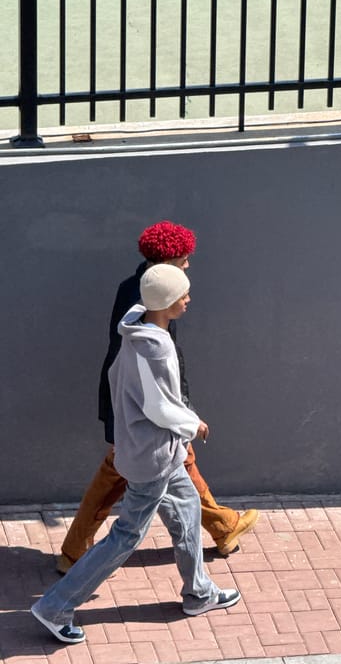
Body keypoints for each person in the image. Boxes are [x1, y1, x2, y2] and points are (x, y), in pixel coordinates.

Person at [32, 265, 241, 644]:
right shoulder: (156, 347)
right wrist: (194, 424)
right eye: (183, 294)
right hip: (153, 458)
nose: (189, 299)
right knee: (125, 536)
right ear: (165, 302)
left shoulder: (134, 330)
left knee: (189, 509)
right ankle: (55, 606)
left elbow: (125, 387)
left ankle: (198, 593)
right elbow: (162, 408)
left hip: (157, 452)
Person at [56, 221, 258, 575]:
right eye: (184, 258)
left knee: (180, 463)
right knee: (118, 475)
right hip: (139, 411)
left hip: (133, 406)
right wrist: (186, 415)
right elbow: (153, 368)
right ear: (168, 262)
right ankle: (73, 553)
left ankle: (223, 527)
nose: (189, 264)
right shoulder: (151, 302)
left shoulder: (136, 288)